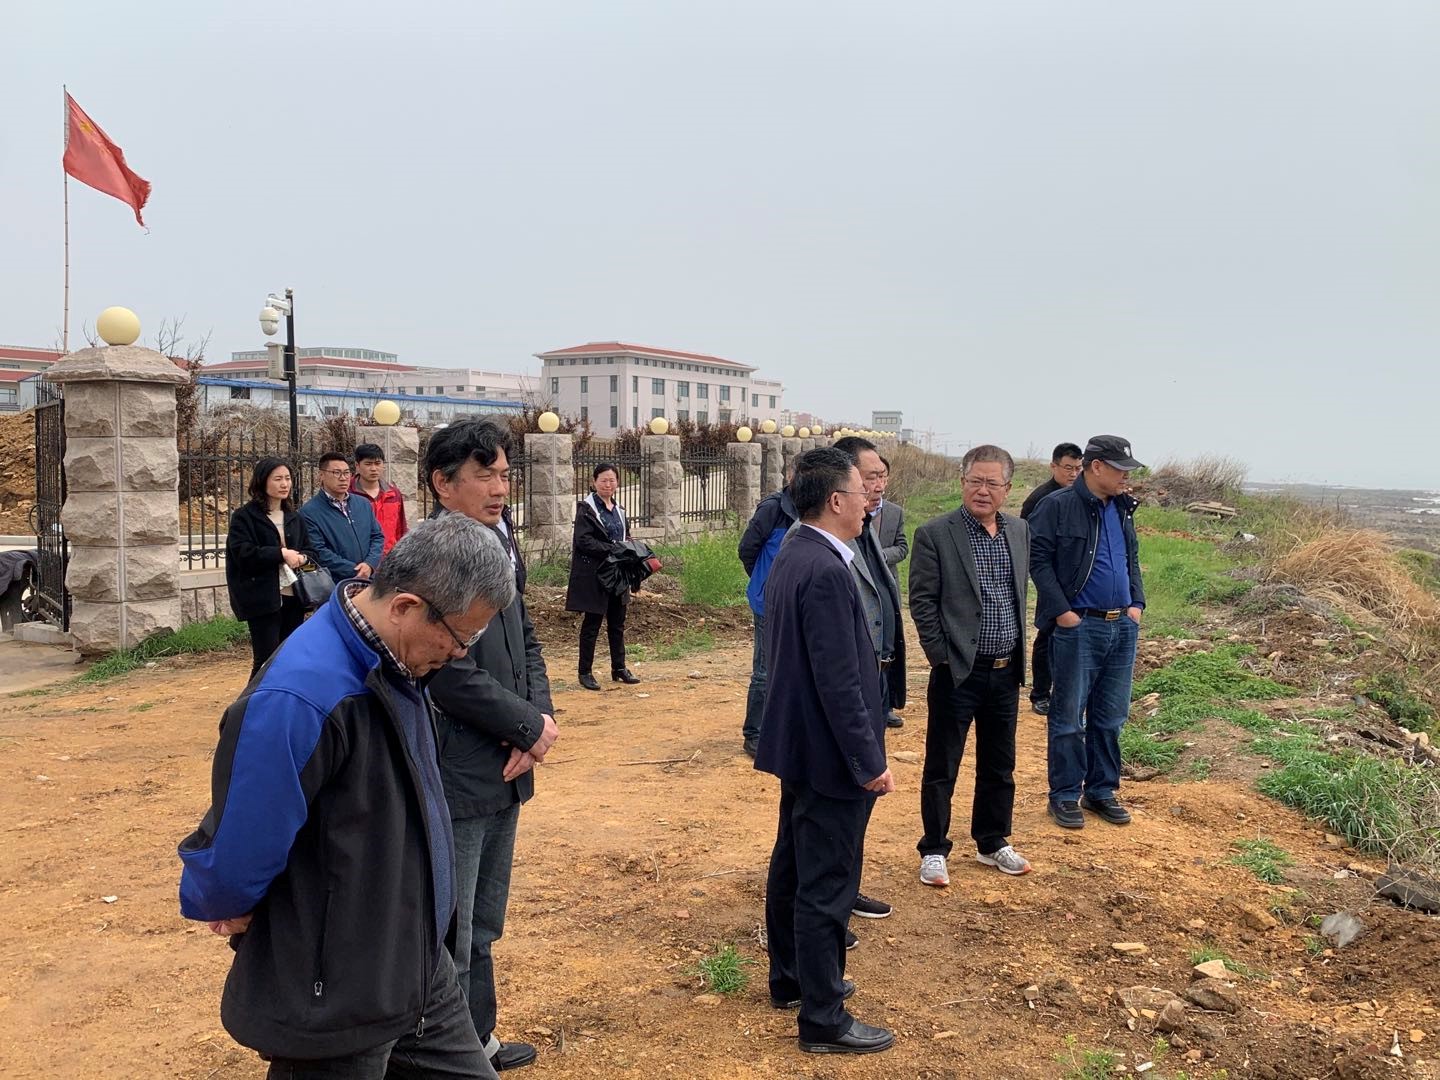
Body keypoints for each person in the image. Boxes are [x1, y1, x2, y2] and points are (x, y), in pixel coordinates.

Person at [177, 514, 517, 1080]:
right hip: (336, 986)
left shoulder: (395, 660)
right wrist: (223, 898)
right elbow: (245, 834)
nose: (462, 654)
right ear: (406, 606)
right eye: (463, 637)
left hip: (413, 959)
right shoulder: (302, 695)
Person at [423, 418, 557, 1074]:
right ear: (443, 484)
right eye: (484, 475)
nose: (500, 488)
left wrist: (539, 721)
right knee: (451, 930)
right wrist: (525, 727)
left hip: (505, 765)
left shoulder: (498, 543)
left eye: (504, 474)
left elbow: (526, 641)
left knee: (482, 922)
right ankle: (445, 1057)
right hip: (460, 770)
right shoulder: (435, 557)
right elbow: (446, 671)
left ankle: (479, 1039)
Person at [755, 447, 895, 1057]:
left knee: (793, 865)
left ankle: (792, 978)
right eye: (862, 492)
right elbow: (840, 682)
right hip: (830, 753)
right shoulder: (827, 569)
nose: (869, 503)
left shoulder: (797, 551)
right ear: (836, 500)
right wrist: (869, 762)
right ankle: (824, 1017)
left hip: (801, 745)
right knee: (827, 883)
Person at [910, 445, 1032, 885]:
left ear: (1007, 489)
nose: (983, 490)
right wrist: (941, 656)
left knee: (1000, 763)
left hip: (1005, 669)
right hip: (958, 671)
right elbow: (922, 601)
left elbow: (1017, 593)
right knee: (942, 764)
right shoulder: (936, 533)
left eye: (992, 483)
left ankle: (992, 841)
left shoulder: (1019, 530)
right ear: (962, 483)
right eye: (975, 481)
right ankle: (934, 848)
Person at [1028, 435, 1146, 831]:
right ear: (1097, 467)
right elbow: (1037, 560)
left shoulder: (1123, 508)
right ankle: (1064, 794)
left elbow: (1131, 558)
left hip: (1121, 626)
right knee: (1068, 716)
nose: (1126, 477)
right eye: (1120, 470)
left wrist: (1136, 604)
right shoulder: (1057, 506)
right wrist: (1063, 613)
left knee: (1110, 716)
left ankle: (1100, 790)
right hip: (1079, 627)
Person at [225, 457, 313, 677]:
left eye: (287, 478)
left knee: (290, 657)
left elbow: (311, 552)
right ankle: (254, 699)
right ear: (262, 481)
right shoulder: (245, 517)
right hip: (262, 598)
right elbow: (243, 553)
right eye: (278, 479)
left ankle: (282, 697)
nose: (284, 484)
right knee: (265, 660)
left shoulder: (294, 517)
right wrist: (280, 554)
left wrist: (302, 559)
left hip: (294, 597)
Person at [1019, 442, 1084, 716]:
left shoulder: (1082, 496)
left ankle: (1066, 692)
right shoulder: (1040, 499)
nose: (1073, 474)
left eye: (1078, 468)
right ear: (1053, 466)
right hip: (1048, 577)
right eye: (1068, 468)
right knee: (1047, 634)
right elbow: (1026, 541)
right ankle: (1040, 694)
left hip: (1075, 579)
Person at [737, 476, 798, 758]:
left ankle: (782, 728)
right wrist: (763, 580)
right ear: (791, 477)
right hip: (769, 601)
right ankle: (755, 733)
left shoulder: (813, 507)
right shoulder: (773, 508)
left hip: (798, 599)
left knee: (793, 666)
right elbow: (747, 549)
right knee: (764, 669)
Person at [566, 462, 640, 690]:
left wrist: (630, 549)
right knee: (592, 624)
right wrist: (613, 549)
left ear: (617, 482)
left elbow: (625, 536)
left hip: (617, 574)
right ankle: (585, 672)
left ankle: (619, 668)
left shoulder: (619, 510)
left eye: (612, 480)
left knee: (617, 623)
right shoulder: (587, 509)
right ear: (594, 482)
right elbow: (583, 541)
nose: (608, 484)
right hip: (595, 576)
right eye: (603, 480)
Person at [300, 451, 384, 583]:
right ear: (321, 475)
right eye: (336, 473)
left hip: (369, 578)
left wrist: (370, 564)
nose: (343, 478)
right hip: (336, 582)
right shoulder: (309, 512)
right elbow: (319, 551)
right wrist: (355, 570)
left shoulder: (363, 504)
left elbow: (377, 536)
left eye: (346, 473)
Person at [351, 441, 409, 556]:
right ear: (357, 465)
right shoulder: (348, 494)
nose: (374, 468)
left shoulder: (393, 494)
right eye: (368, 464)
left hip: (389, 558)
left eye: (377, 463)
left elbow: (401, 529)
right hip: (360, 560)